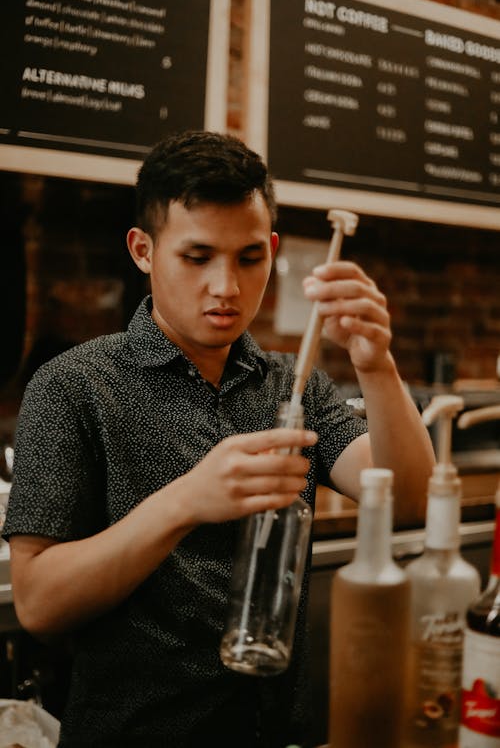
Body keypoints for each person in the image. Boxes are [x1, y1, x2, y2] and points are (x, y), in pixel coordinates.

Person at [3, 130, 435, 748]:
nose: (227, 288)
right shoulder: (73, 386)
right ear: (143, 250)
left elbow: (410, 499)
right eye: (198, 256)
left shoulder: (292, 383)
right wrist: (185, 501)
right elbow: (39, 603)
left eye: (249, 258)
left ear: (273, 249)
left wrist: (377, 364)